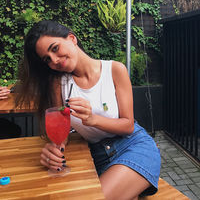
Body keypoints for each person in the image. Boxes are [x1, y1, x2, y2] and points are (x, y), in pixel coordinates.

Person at [16, 20, 161, 200]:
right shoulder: (58, 84)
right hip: (96, 155)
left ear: (72, 39)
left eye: (54, 48)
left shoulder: (114, 70)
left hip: (133, 145)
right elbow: (62, 133)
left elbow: (128, 125)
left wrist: (92, 119)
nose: (53, 60)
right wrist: (54, 150)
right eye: (47, 59)